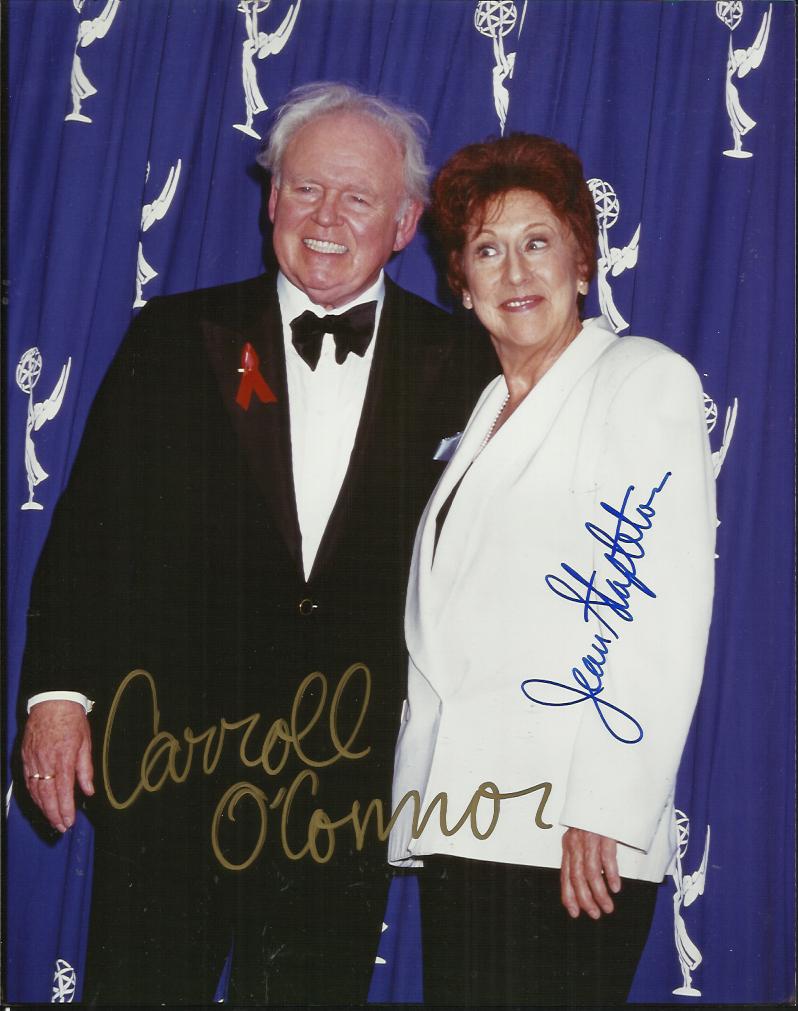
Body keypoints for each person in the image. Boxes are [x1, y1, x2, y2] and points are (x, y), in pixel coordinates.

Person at [17, 82, 492, 1005]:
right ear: (270, 198)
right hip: (169, 765)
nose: (326, 217)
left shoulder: (465, 365)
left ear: (404, 224)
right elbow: (89, 530)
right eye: (306, 188)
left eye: (358, 199)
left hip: (346, 784)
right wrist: (58, 696)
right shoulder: (175, 338)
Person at [388, 133, 716, 1005]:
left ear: (581, 258)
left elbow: (650, 611)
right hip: (471, 820)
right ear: (460, 281)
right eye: (486, 250)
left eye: (537, 240)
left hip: (574, 834)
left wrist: (604, 807)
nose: (513, 270)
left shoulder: (639, 380)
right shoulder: (487, 408)